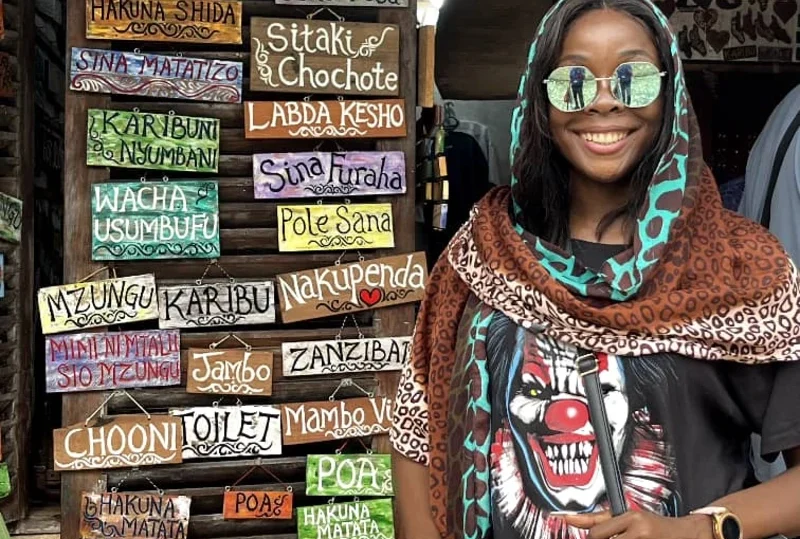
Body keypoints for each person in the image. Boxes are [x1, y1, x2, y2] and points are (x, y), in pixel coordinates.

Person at [391, 2, 800, 539]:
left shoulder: (742, 266)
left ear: (669, 94)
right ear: (541, 100)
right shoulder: (483, 252)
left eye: (633, 79)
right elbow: (416, 438)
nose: (605, 101)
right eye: (574, 81)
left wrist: (699, 529)